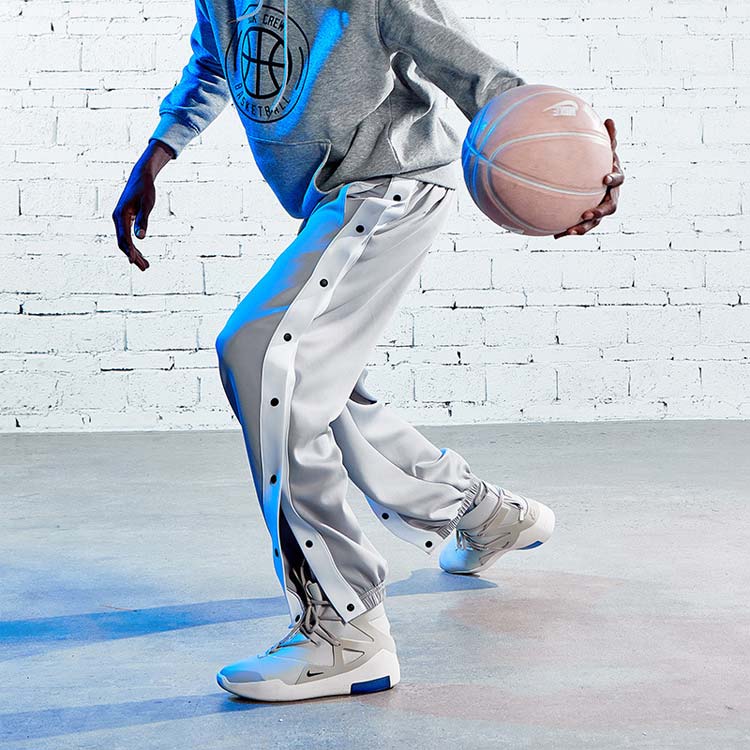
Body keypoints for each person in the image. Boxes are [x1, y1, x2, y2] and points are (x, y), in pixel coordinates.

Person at [112, 0, 623, 703]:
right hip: (334, 198)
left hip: (391, 185)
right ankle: (480, 512)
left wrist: (576, 166)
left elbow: (478, 76)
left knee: (262, 355)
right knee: (316, 382)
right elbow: (214, 62)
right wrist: (156, 155)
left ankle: (346, 632)